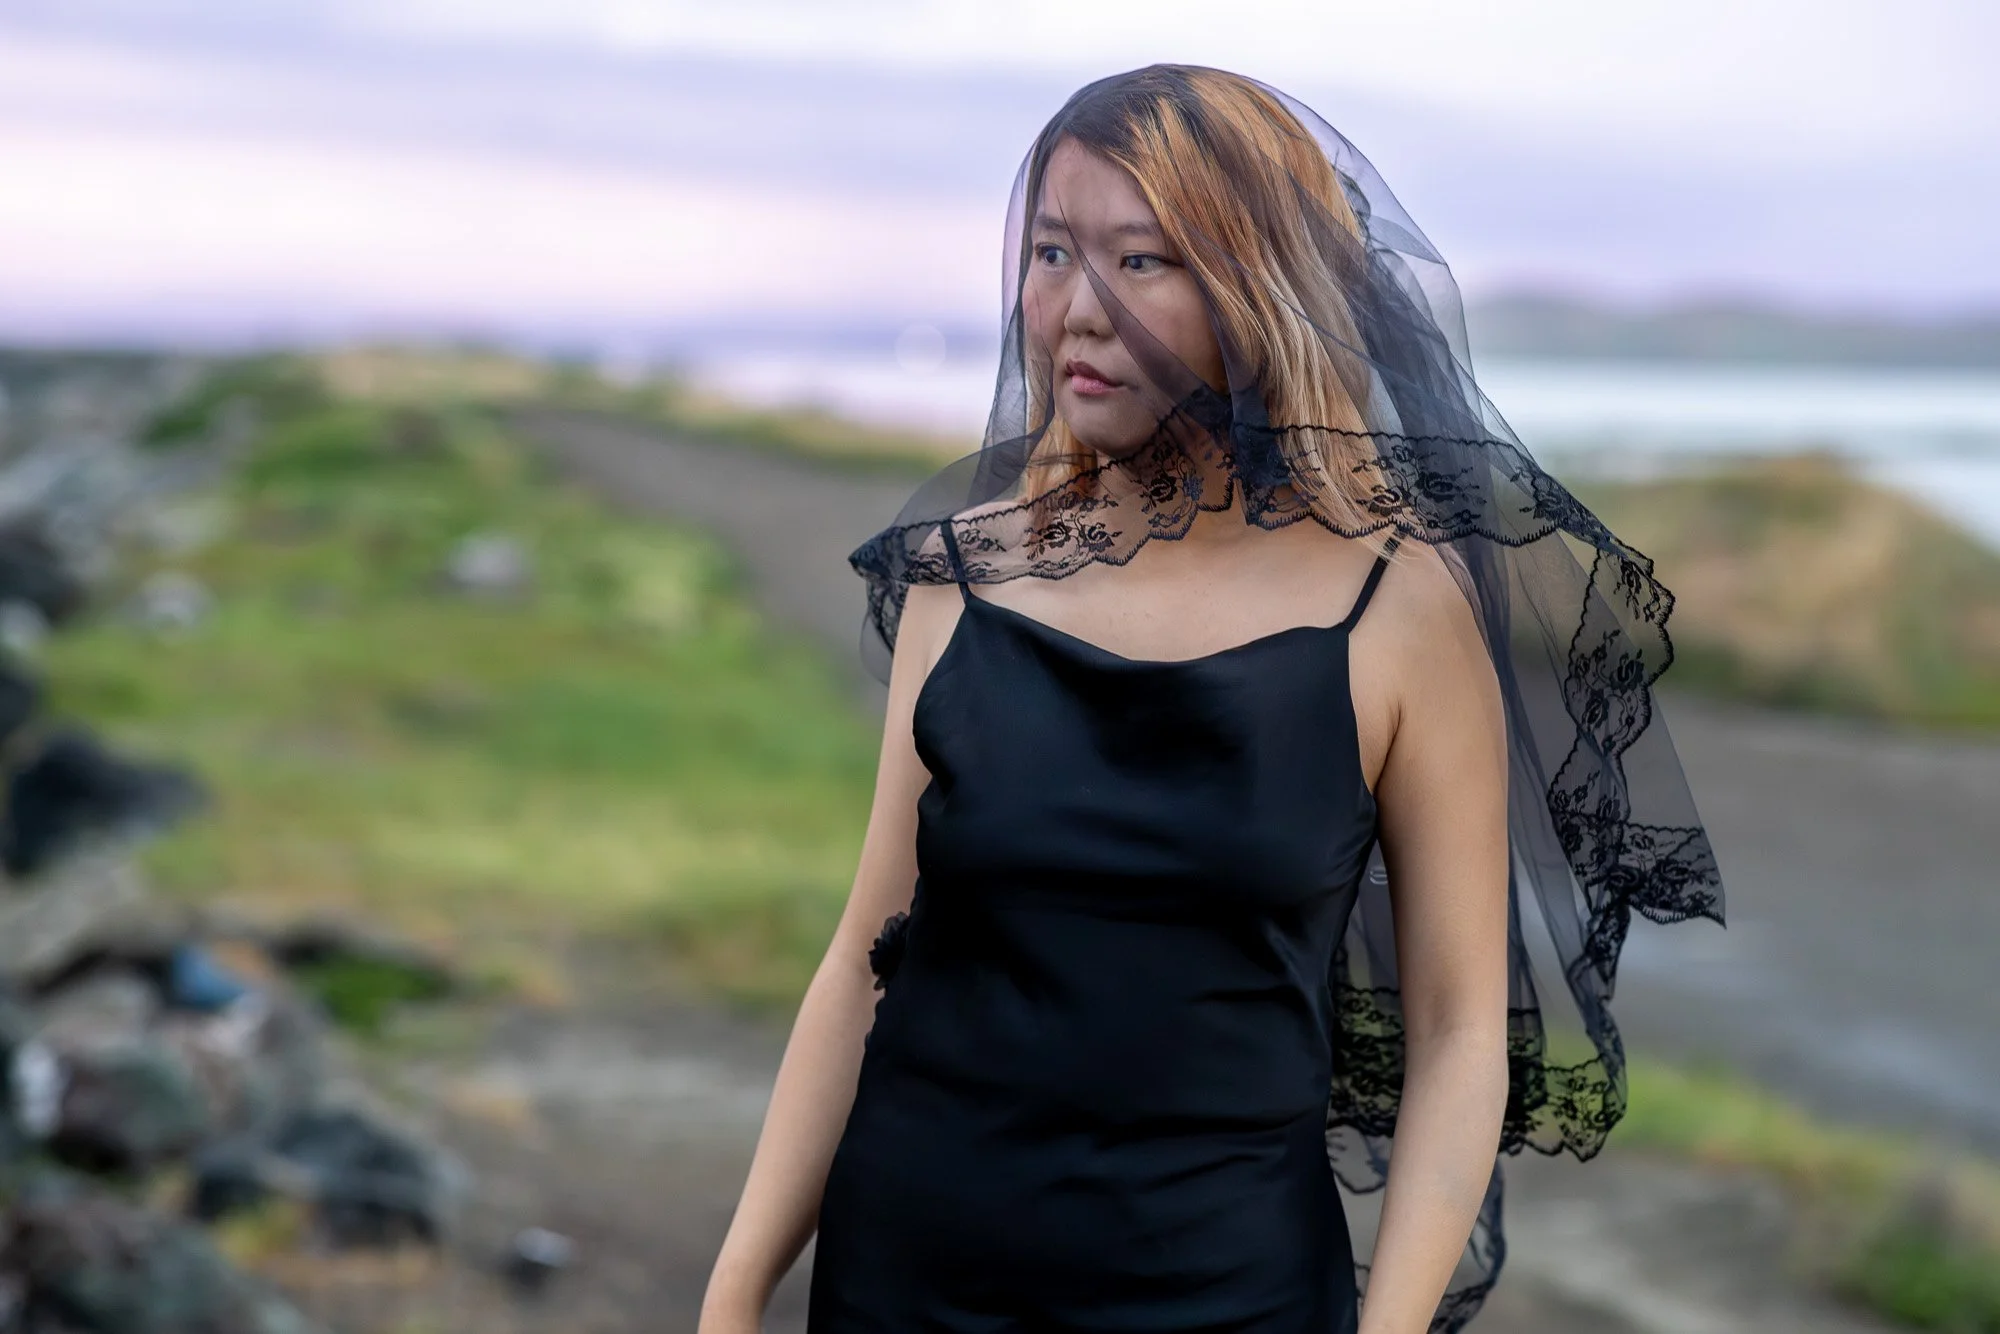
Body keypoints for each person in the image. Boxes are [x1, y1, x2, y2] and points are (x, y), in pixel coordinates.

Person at [701, 64, 1726, 1334]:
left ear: (1258, 286)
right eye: (1051, 250)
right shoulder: (960, 574)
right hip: (908, 1271)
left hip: (1224, 1292)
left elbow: (1461, 1029)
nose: (1075, 309)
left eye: (1141, 262)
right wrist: (737, 1285)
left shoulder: (1399, 605)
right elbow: (864, 960)